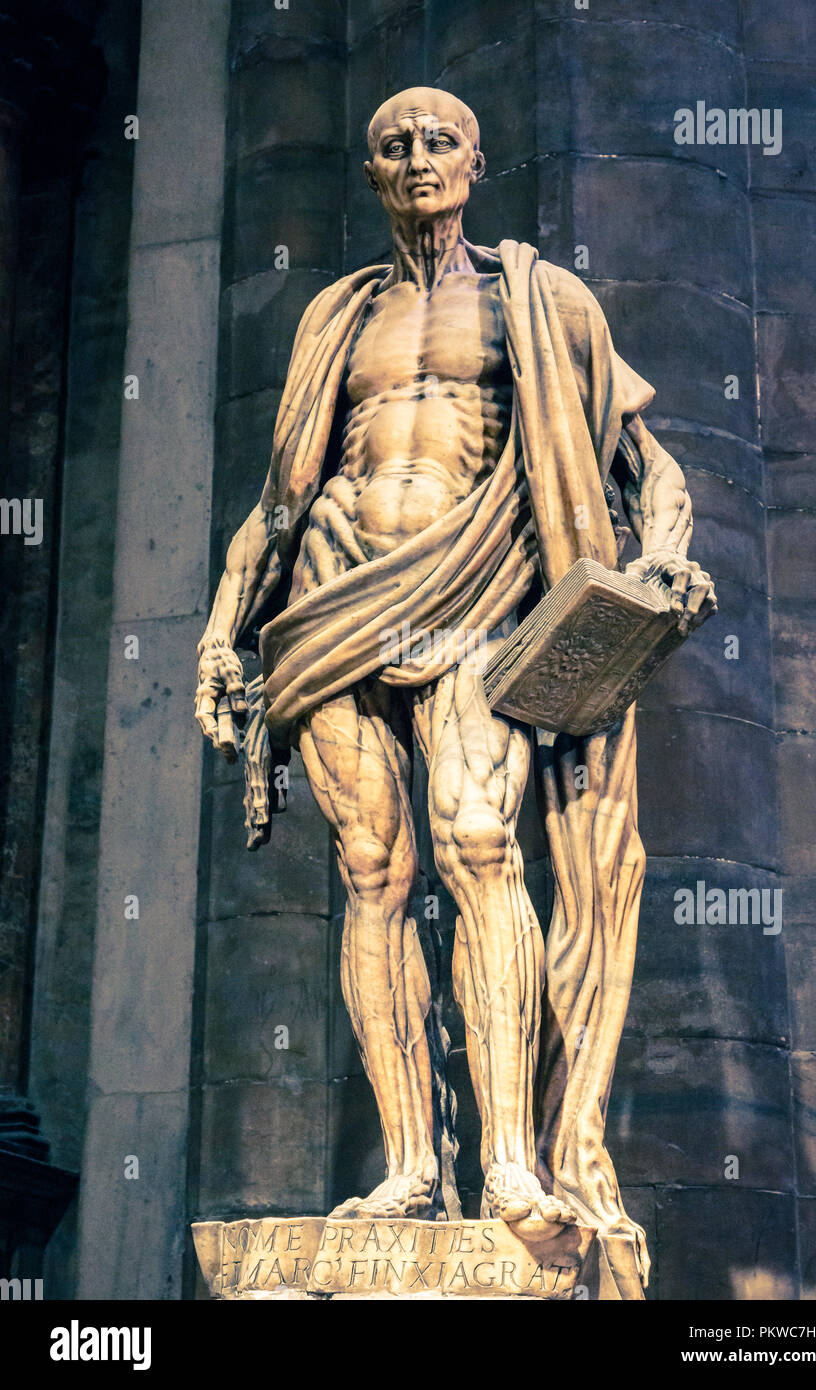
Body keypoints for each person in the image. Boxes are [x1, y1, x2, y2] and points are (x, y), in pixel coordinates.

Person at [195, 87, 716, 1295]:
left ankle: (514, 1167)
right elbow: (279, 501)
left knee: (480, 844)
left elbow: (646, 466)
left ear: (477, 161)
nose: (417, 158)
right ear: (370, 171)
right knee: (371, 875)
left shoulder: (542, 297)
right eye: (392, 144)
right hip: (331, 593)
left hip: (479, 590)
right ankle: (411, 1169)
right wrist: (226, 630)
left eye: (439, 141)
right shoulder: (336, 317)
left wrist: (662, 556)